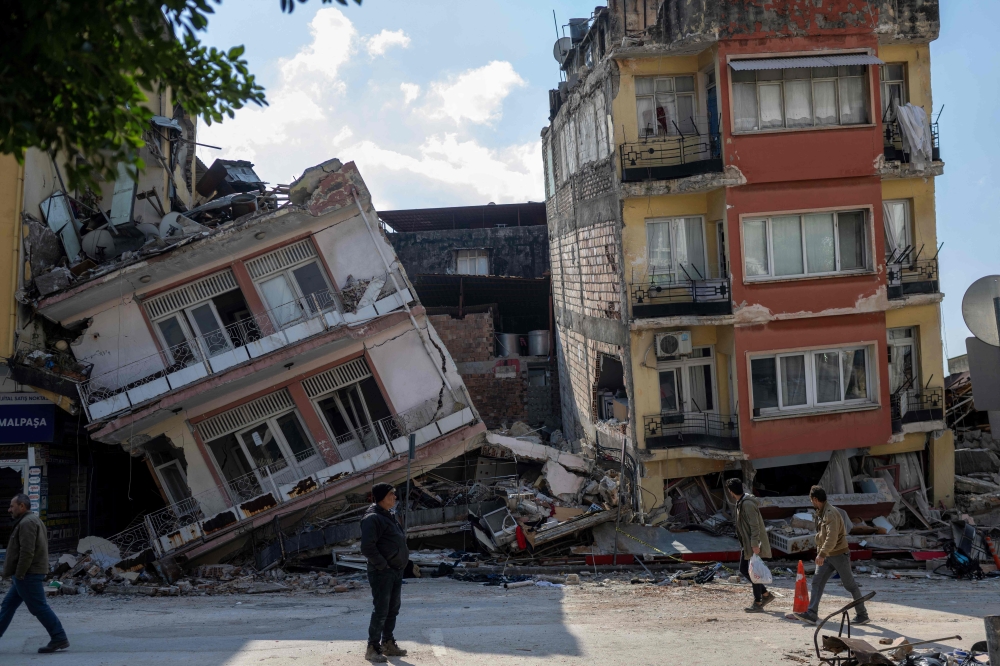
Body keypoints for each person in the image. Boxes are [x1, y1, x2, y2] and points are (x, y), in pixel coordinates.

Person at [0, 494, 69, 653]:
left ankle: (59, 637)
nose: (9, 509)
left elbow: (27, 552)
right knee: (8, 605)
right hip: (25, 574)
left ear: (22, 506)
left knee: (39, 607)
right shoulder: (28, 521)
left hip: (28, 574)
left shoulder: (27, 523)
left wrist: (20, 574)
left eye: (12, 506)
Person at [794, 485, 869, 625]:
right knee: (817, 581)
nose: (811, 503)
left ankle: (862, 614)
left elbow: (831, 537)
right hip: (828, 555)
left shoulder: (830, 513)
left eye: (811, 500)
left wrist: (821, 554)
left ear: (815, 499)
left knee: (850, 585)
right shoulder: (822, 512)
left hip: (839, 555)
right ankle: (811, 613)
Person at [360, 483, 409, 663]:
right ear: (381, 497)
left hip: (395, 571)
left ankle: (388, 643)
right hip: (382, 572)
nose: (394, 497)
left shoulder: (388, 515)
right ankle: (372, 647)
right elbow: (367, 547)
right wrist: (383, 565)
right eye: (391, 494)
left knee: (392, 609)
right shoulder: (372, 518)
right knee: (381, 610)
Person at [726, 478, 774, 612]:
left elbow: (755, 526)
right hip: (747, 544)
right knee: (745, 570)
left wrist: (755, 545)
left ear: (731, 491)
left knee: (753, 571)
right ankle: (765, 595)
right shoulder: (741, 502)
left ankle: (758, 602)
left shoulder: (747, 504)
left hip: (753, 544)